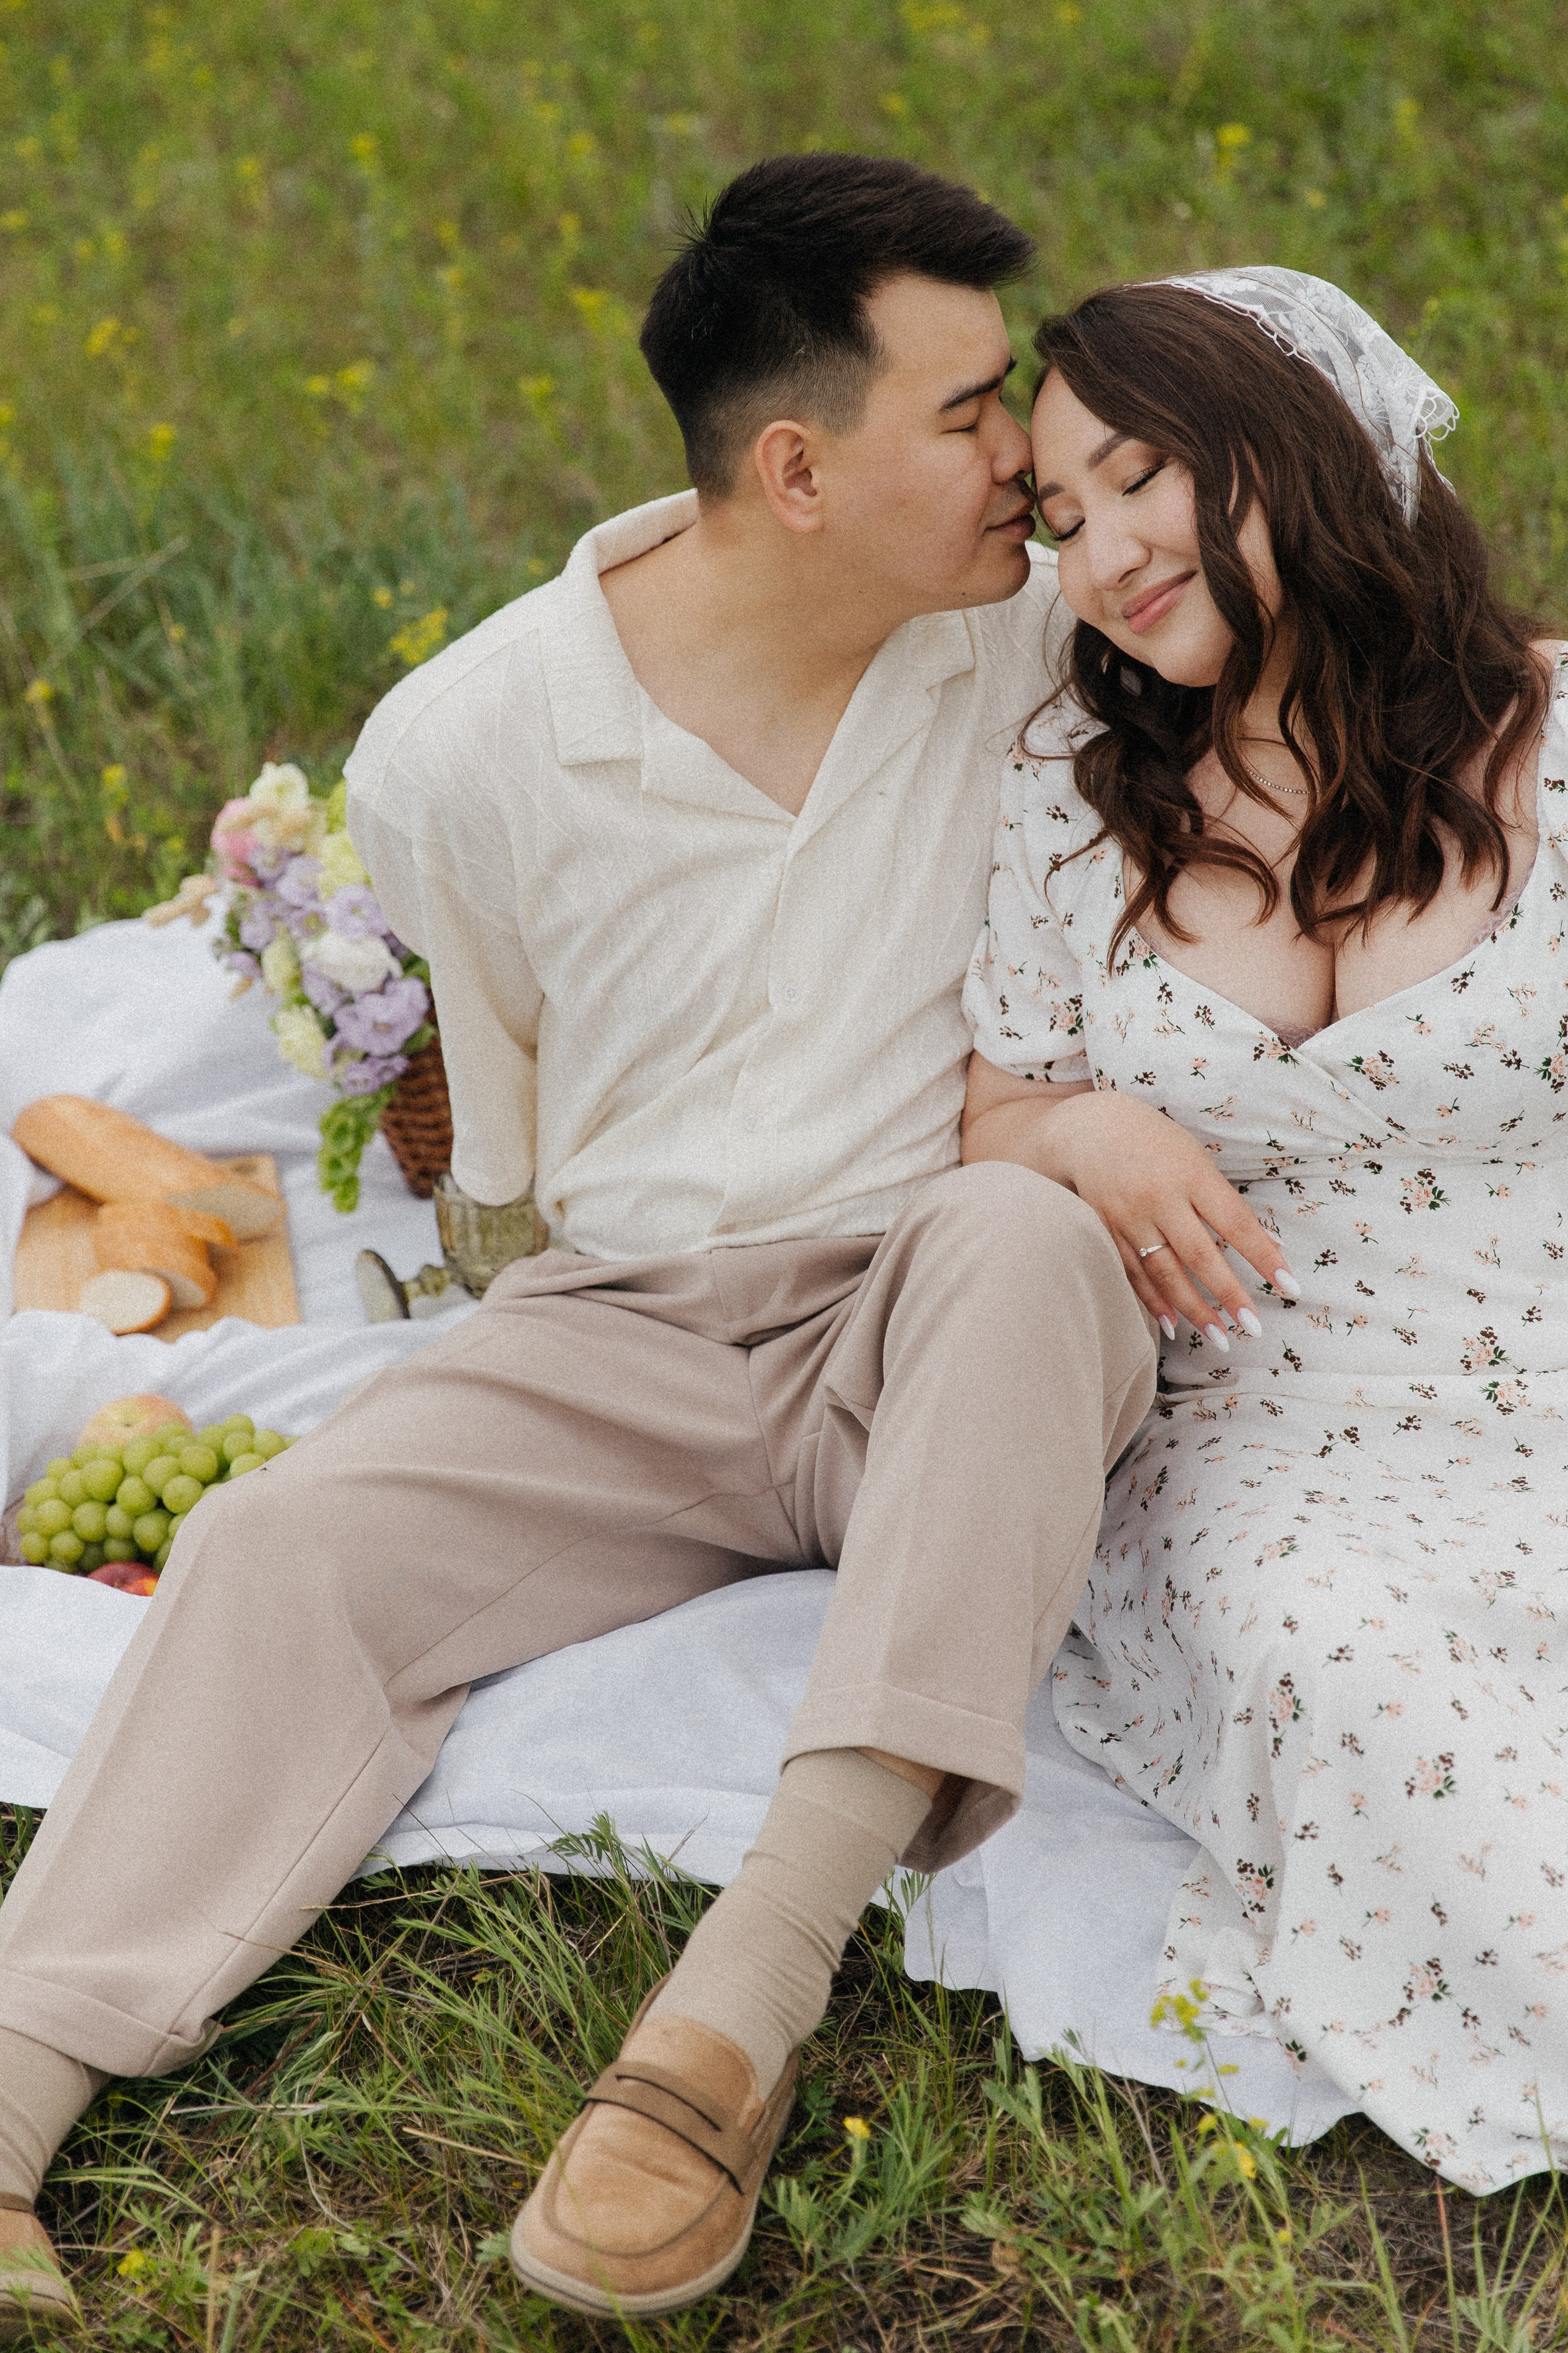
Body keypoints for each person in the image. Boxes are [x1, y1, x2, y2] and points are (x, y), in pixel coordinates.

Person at [0, 154, 1157, 2328]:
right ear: (797, 470)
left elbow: (1323, 599)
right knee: (282, 1544)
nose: (1028, 452)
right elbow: (512, 1135)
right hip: (630, 1322)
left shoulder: (1041, 626)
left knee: (1025, 1237)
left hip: (939, 1301)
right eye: (971, 409)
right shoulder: (464, 747)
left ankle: (728, 2022)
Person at [964, 264, 1567, 2194]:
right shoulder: (1077, 798)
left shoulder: (1560, 735)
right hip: (1265, 1437)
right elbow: (994, 1110)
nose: (1103, 557)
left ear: (1289, 445)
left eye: (1141, 478)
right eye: (1060, 518)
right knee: (1362, 1679)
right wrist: (1091, 1127)